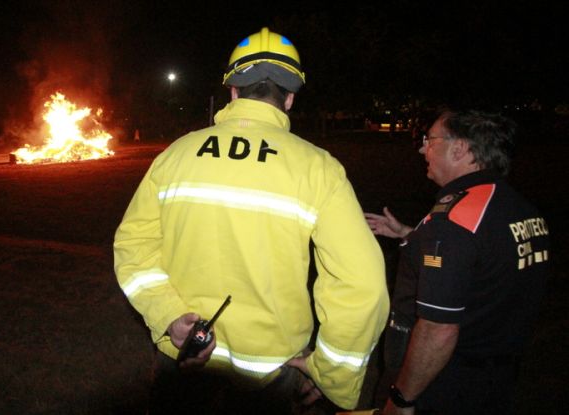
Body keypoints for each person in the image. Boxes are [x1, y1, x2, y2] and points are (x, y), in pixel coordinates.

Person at [114, 27, 389, 414]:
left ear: (232, 91)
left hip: (184, 357)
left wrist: (168, 315)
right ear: (290, 99)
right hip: (269, 375)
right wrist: (332, 373)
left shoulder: (176, 155)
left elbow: (132, 247)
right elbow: (362, 285)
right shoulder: (318, 169)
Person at [365, 110, 550, 415]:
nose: (423, 149)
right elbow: (481, 260)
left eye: (431, 140)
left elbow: (438, 328)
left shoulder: (454, 220)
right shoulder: (518, 207)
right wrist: (409, 235)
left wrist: (401, 400)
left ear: (460, 148)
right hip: (497, 376)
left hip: (445, 383)